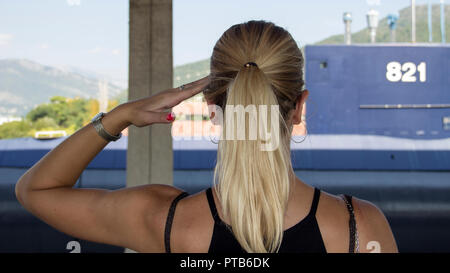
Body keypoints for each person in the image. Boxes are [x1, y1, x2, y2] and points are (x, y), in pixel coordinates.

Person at [15, 20, 397, 253]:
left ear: (212, 106)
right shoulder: (358, 228)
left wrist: (120, 117)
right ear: (299, 107)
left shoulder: (165, 222)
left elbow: (37, 190)